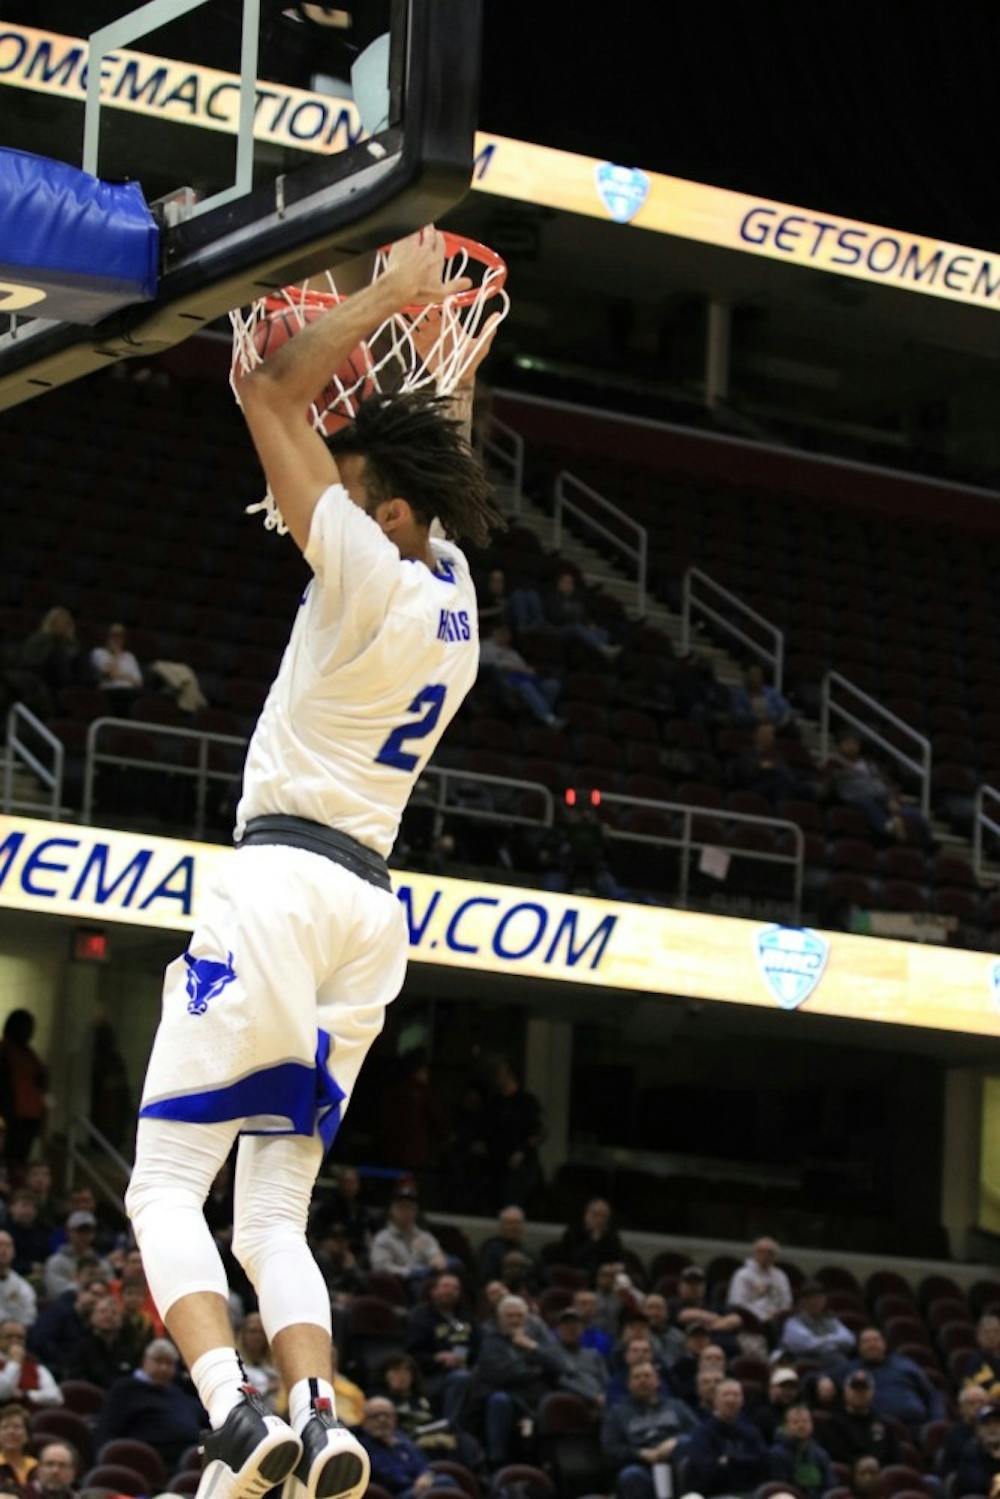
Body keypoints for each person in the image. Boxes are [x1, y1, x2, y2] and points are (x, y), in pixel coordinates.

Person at [123, 227, 503, 1499]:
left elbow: (262, 387)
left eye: (344, 485)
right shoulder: (453, 592)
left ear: (379, 510)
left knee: (165, 1185)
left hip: (280, 883)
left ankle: (232, 1412)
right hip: (367, 914)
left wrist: (388, 294)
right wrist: (416, 340)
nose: (317, 495)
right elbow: (433, 438)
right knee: (272, 1216)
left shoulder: (356, 562)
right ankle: (317, 1417)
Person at [472, 1294, 563, 1467]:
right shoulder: (491, 1341)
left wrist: (532, 1347)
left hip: (535, 1399)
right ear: (500, 1319)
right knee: (499, 1400)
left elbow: (559, 1366)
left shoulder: (535, 1340)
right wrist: (536, 1369)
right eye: (510, 1315)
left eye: (519, 1316)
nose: (515, 1320)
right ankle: (496, 1463)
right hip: (507, 1398)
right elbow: (502, 1374)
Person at [94, 1338, 203, 1467]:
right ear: (145, 1361)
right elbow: (107, 1429)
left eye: (169, 1364)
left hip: (189, 1458)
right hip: (146, 1461)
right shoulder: (126, 1389)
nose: (164, 1368)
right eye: (158, 1361)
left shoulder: (178, 1392)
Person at [601, 1360, 698, 1499]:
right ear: (629, 1384)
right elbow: (611, 1449)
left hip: (676, 1461)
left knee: (687, 1453)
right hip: (641, 1466)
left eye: (647, 1376)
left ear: (657, 1381)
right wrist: (640, 1453)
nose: (643, 1380)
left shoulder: (677, 1406)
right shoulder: (617, 1413)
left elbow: (698, 1433)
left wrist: (675, 1441)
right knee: (630, 1475)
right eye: (637, 1377)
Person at [354, 1396, 459, 1497]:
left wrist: (425, 1475)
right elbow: (385, 1476)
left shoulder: (401, 1438)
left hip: (419, 1488)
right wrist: (417, 1482)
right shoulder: (362, 1447)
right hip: (393, 1494)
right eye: (375, 1416)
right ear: (365, 1421)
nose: (382, 1420)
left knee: (446, 1481)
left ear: (394, 1419)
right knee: (444, 1483)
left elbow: (422, 1462)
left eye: (387, 1415)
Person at [682, 1377, 768, 1497]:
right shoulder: (702, 1433)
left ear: (742, 1400)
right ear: (715, 1400)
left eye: (736, 1395)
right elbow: (708, 1472)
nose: (731, 1399)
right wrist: (743, 1464)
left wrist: (729, 1461)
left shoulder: (751, 1432)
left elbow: (763, 1465)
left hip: (750, 1493)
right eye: (725, 1395)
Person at [845, 1326, 945, 1429]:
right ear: (859, 1347)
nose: (872, 1345)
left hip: (917, 1427)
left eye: (876, 1340)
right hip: (876, 1429)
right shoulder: (851, 1369)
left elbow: (933, 1395)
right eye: (866, 1341)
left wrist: (937, 1422)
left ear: (884, 1343)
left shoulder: (905, 1364)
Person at [481, 1060, 544, 1210]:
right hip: (496, 1166)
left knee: (514, 1206)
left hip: (521, 1168)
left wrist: (522, 1151)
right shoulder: (494, 1102)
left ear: (510, 1075)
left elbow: (541, 1131)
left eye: (500, 1073)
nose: (497, 1077)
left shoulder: (527, 1101)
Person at [478, 623, 565, 729]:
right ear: (495, 633)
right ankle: (549, 718)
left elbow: (524, 666)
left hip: (524, 677)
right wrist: (515, 669)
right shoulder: (486, 646)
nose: (506, 636)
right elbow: (488, 665)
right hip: (504, 679)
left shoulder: (512, 652)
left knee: (553, 685)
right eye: (503, 633)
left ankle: (539, 716)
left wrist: (529, 670)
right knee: (526, 686)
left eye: (508, 634)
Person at [820, 1369, 900, 1467]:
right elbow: (834, 1456)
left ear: (872, 1392)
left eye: (864, 1388)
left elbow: (895, 1459)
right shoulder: (832, 1423)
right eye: (855, 1388)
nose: (859, 1393)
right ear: (845, 1391)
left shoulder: (884, 1424)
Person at [0, 1011, 47, 1169]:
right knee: (9, 1158)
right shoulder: (5, 1050)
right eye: (26, 1027)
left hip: (30, 1115)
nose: (29, 1032)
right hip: (12, 1115)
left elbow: (41, 1080)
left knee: (21, 1159)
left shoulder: (29, 1054)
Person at [370, 1190, 449, 1283]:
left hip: (428, 1280)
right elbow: (380, 1267)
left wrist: (437, 1259)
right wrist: (411, 1272)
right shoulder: (382, 1238)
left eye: (410, 1207)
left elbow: (435, 1254)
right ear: (392, 1210)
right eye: (401, 1207)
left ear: (416, 1211)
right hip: (400, 1283)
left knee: (454, 1265)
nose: (406, 1211)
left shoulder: (424, 1236)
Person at [779, 1281, 855, 1372]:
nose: (818, 1302)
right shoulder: (793, 1323)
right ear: (803, 1301)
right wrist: (834, 1342)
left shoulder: (830, 1320)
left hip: (833, 1361)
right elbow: (808, 1345)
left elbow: (849, 1339)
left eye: (820, 1298)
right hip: (806, 1363)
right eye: (813, 1298)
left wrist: (825, 1340)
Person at [767, 1403, 833, 1499]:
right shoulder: (776, 1455)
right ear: (786, 1426)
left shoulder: (820, 1454)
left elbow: (830, 1485)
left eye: (805, 1421)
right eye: (795, 1422)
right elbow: (780, 1488)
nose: (801, 1425)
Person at [726, 1236, 793, 1330]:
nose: (766, 1255)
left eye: (770, 1253)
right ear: (755, 1253)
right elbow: (737, 1302)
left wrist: (776, 1314)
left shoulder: (780, 1276)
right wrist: (762, 1315)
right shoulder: (742, 1274)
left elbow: (786, 1302)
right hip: (750, 1320)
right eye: (762, 1251)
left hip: (776, 1320)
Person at [43, 1212, 111, 1301]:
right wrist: (84, 1284)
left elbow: (111, 1287)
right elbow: (55, 1292)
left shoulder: (101, 1262)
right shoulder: (56, 1262)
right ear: (69, 1232)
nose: (84, 1236)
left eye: (88, 1231)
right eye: (80, 1231)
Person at [555, 1198, 626, 1279]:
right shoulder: (574, 1231)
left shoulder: (610, 1235)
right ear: (586, 1215)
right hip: (576, 1275)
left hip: (606, 1276)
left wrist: (616, 1267)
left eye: (604, 1216)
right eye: (595, 1215)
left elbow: (619, 1258)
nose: (599, 1220)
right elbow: (571, 1259)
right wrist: (593, 1242)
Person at [552, 1306, 608, 1408]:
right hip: (570, 1403)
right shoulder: (553, 1354)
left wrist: (605, 1397)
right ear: (558, 1330)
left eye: (574, 1325)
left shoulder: (593, 1354)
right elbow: (562, 1381)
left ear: (582, 1329)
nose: (571, 1329)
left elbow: (606, 1381)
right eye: (566, 1326)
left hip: (600, 1402)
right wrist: (593, 1397)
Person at [0, 1321, 62, 1407]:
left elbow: (56, 1397)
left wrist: (25, 1395)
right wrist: (14, 1362)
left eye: (20, 1337)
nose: (14, 1341)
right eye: (9, 1337)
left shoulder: (34, 1365)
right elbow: (3, 1392)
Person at [477, 1206, 540, 1287]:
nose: (514, 1227)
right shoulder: (490, 1249)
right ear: (501, 1226)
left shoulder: (529, 1253)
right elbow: (485, 1279)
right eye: (510, 1223)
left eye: (517, 1223)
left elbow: (542, 1280)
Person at [938, 1383, 990, 1477]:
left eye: (982, 1402)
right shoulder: (954, 1434)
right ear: (961, 1408)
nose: (978, 1407)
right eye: (971, 1403)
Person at [730, 662, 794, 731]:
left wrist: (771, 717)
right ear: (747, 678)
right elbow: (738, 715)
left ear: (761, 678)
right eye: (752, 676)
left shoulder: (771, 692)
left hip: (773, 723)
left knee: (790, 726)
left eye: (757, 676)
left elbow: (785, 708)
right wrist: (754, 717)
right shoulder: (740, 694)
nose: (755, 679)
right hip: (752, 725)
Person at [954, 1403, 1000, 1497]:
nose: (992, 1428)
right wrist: (993, 1459)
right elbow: (974, 1484)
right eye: (987, 1424)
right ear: (978, 1430)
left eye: (997, 1423)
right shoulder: (971, 1450)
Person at [90, 622, 143, 697]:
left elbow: (139, 683)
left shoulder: (130, 656)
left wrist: (118, 676)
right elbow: (108, 674)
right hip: (109, 693)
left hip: (130, 694)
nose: (117, 639)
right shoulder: (98, 652)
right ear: (107, 636)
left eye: (120, 636)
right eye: (114, 635)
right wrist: (116, 654)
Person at [960, 1312, 1000, 1398]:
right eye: (986, 1332)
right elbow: (993, 1390)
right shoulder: (976, 1361)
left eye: (996, 1331)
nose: (991, 1336)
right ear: (978, 1336)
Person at [0, 1234, 36, 1328]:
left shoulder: (23, 1286)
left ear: (14, 1252)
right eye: (0, 1245)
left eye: (8, 1245)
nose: (3, 1250)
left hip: (16, 1335)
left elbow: (30, 1316)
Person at [0, 1404, 36, 1489]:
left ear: (27, 1435)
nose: (11, 1432)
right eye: (5, 1427)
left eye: (16, 1427)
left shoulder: (37, 1468)